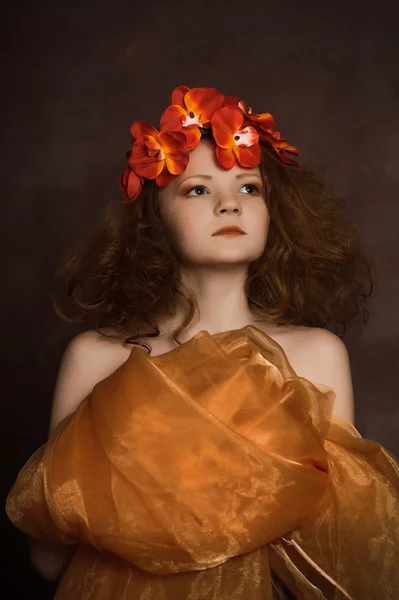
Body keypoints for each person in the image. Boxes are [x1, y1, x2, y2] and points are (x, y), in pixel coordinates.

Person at [6, 86, 399, 599]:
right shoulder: (97, 357)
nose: (229, 204)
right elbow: (48, 556)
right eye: (197, 189)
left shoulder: (317, 354)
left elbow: (340, 550)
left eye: (249, 187)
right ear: (154, 221)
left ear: (273, 213)